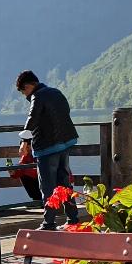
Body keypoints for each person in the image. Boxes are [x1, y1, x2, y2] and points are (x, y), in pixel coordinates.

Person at [15, 70, 80, 229]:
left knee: (47, 187)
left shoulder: (37, 97)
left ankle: (49, 222)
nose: (25, 95)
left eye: (23, 91)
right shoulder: (56, 92)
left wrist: (25, 141)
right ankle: (73, 219)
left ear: (29, 86)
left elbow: (32, 118)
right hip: (65, 144)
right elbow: (65, 112)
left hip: (47, 148)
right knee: (65, 184)